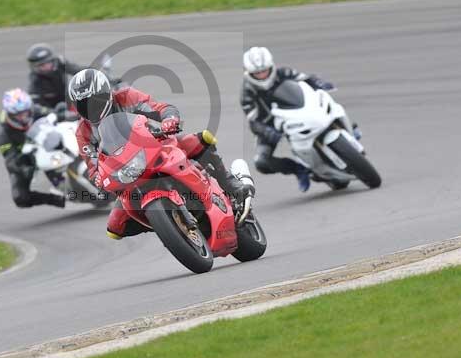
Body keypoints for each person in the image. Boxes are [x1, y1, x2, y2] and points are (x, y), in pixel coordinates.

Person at [68, 68, 253, 239]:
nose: (91, 107)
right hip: (126, 174)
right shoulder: (83, 132)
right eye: (84, 104)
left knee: (199, 140)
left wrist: (169, 120)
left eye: (95, 100)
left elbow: (160, 108)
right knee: (114, 228)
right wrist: (98, 179)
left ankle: (230, 182)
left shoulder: (127, 97)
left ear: (107, 93)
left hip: (154, 146)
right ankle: (166, 224)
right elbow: (93, 167)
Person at [239, 46, 337, 193]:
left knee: (328, 105)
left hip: (297, 110)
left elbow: (306, 79)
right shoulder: (246, 92)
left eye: (264, 70)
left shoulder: (283, 72)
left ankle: (347, 128)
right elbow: (253, 121)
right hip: (271, 125)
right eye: (257, 73)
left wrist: (319, 83)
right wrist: (268, 131)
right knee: (261, 162)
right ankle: (298, 169)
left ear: (271, 66)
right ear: (249, 73)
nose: (262, 75)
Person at [0, 88, 76, 209]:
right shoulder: (3, 136)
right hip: (26, 159)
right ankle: (56, 199)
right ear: (10, 115)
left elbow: (52, 113)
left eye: (26, 112)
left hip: (47, 143)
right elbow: (10, 160)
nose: (24, 117)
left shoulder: (34, 110)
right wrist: (23, 168)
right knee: (20, 198)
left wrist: (66, 114)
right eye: (19, 115)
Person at [26, 43, 87, 109]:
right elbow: (38, 107)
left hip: (69, 99)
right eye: (42, 65)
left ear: (52, 60)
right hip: (54, 111)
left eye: (48, 62)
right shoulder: (35, 84)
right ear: (35, 67)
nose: (47, 66)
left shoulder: (60, 63)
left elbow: (79, 70)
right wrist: (55, 113)